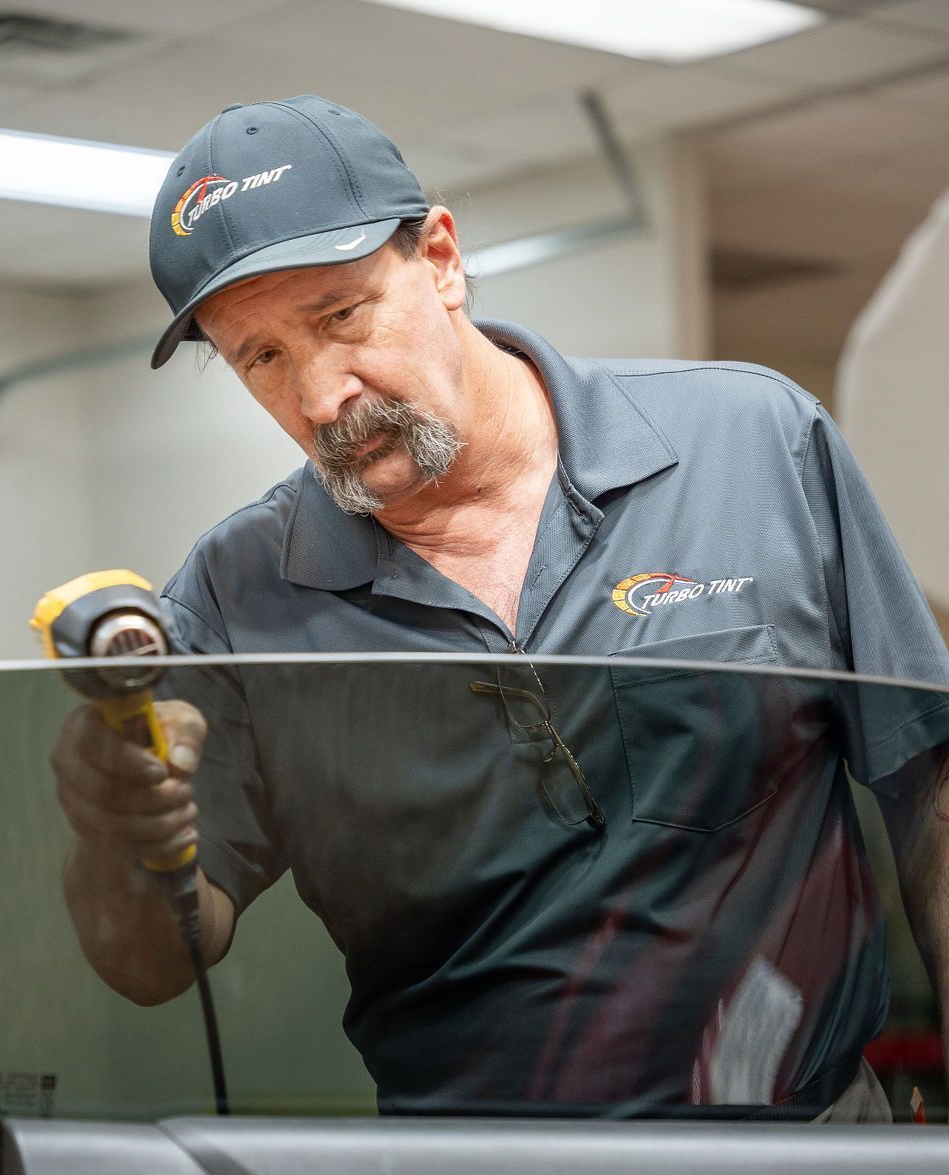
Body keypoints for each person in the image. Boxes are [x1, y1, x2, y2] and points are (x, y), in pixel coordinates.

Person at [51, 96, 949, 1120]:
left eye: (341, 318)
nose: (319, 396)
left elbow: (928, 785)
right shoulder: (236, 592)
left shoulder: (751, 444)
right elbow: (155, 961)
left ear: (439, 257)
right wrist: (115, 832)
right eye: (260, 357)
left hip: (803, 1156)